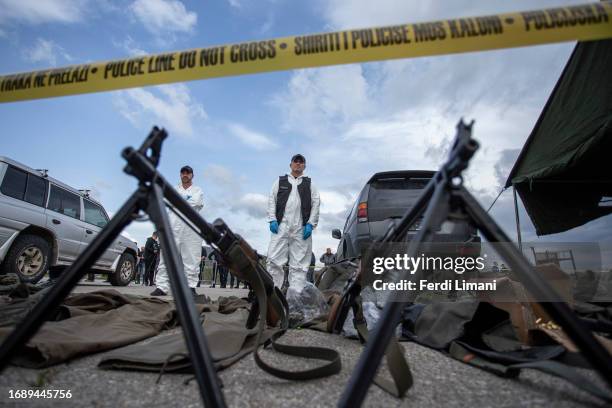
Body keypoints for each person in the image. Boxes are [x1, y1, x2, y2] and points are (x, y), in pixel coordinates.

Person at [266, 154, 320, 290]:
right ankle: (273, 293)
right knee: (274, 260)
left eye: (301, 162)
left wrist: (310, 224)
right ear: (291, 165)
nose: (298, 164)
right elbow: (271, 199)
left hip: (301, 228)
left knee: (299, 265)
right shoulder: (280, 181)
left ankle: (296, 296)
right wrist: (272, 219)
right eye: (296, 162)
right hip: (281, 226)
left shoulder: (310, 184)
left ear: (304, 166)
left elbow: (316, 203)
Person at [150, 165, 204, 297]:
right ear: (180, 175)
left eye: (188, 173)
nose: (185, 175)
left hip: (190, 229)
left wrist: (178, 201)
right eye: (183, 173)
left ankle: (190, 287)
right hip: (173, 227)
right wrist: (184, 201)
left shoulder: (198, 190)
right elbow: (170, 201)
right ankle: (162, 287)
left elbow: (196, 202)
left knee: (191, 259)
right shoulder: (174, 189)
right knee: (166, 257)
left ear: (192, 175)